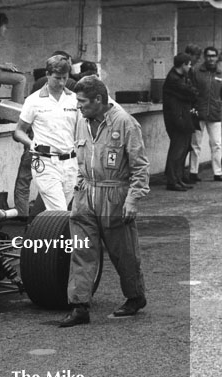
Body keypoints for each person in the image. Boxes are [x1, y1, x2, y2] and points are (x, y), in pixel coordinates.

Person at [60, 76, 149, 327]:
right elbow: (82, 160)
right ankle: (79, 307)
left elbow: (140, 167)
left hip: (115, 196)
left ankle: (135, 296)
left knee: (124, 253)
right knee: (81, 251)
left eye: (83, 102)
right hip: (86, 195)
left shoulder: (126, 123)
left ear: (99, 100)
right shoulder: (82, 121)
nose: (79, 106)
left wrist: (132, 200)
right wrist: (78, 188)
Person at [12, 55, 79, 211]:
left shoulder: (74, 99)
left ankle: (40, 233)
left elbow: (82, 130)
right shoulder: (33, 100)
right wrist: (30, 143)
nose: (61, 83)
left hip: (70, 163)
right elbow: (19, 131)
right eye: (57, 78)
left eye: (65, 78)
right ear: (47, 75)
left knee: (60, 211)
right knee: (59, 210)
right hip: (45, 162)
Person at [188, 47, 222, 183]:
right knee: (195, 144)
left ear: (217, 57)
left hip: (215, 114)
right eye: (209, 56)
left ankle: (218, 172)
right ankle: (193, 172)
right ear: (205, 57)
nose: (211, 58)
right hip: (199, 113)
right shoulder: (196, 72)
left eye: (213, 56)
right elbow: (191, 90)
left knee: (216, 144)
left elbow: (221, 94)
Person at [161, 53, 197, 191]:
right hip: (178, 119)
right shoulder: (174, 80)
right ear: (183, 65)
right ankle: (172, 180)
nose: (190, 67)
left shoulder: (179, 77)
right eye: (189, 64)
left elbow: (192, 93)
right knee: (177, 150)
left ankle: (178, 178)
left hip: (182, 117)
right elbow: (192, 93)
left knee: (183, 149)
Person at [0, 13, 27, 104]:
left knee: (21, 75)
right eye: (4, 26)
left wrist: (4, 66)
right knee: (21, 79)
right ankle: (17, 111)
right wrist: (3, 66)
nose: (5, 29)